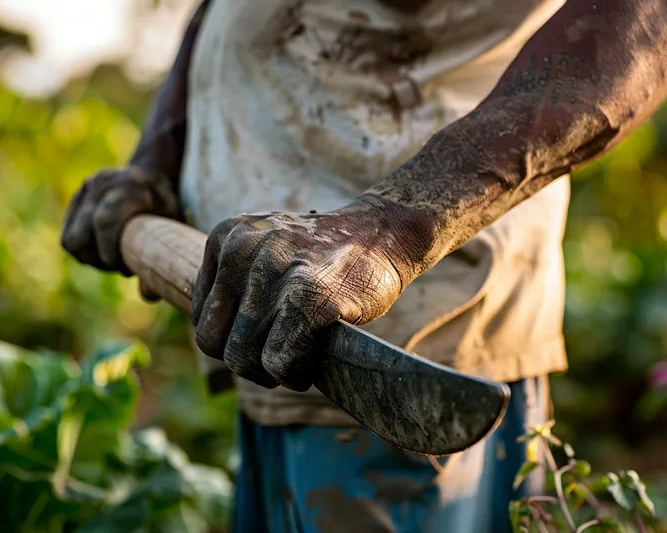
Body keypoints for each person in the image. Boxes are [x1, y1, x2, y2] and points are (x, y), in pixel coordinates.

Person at [60, 0, 667, 531]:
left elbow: (642, 24)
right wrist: (156, 157)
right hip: (274, 349)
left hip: (405, 367)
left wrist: (386, 229)